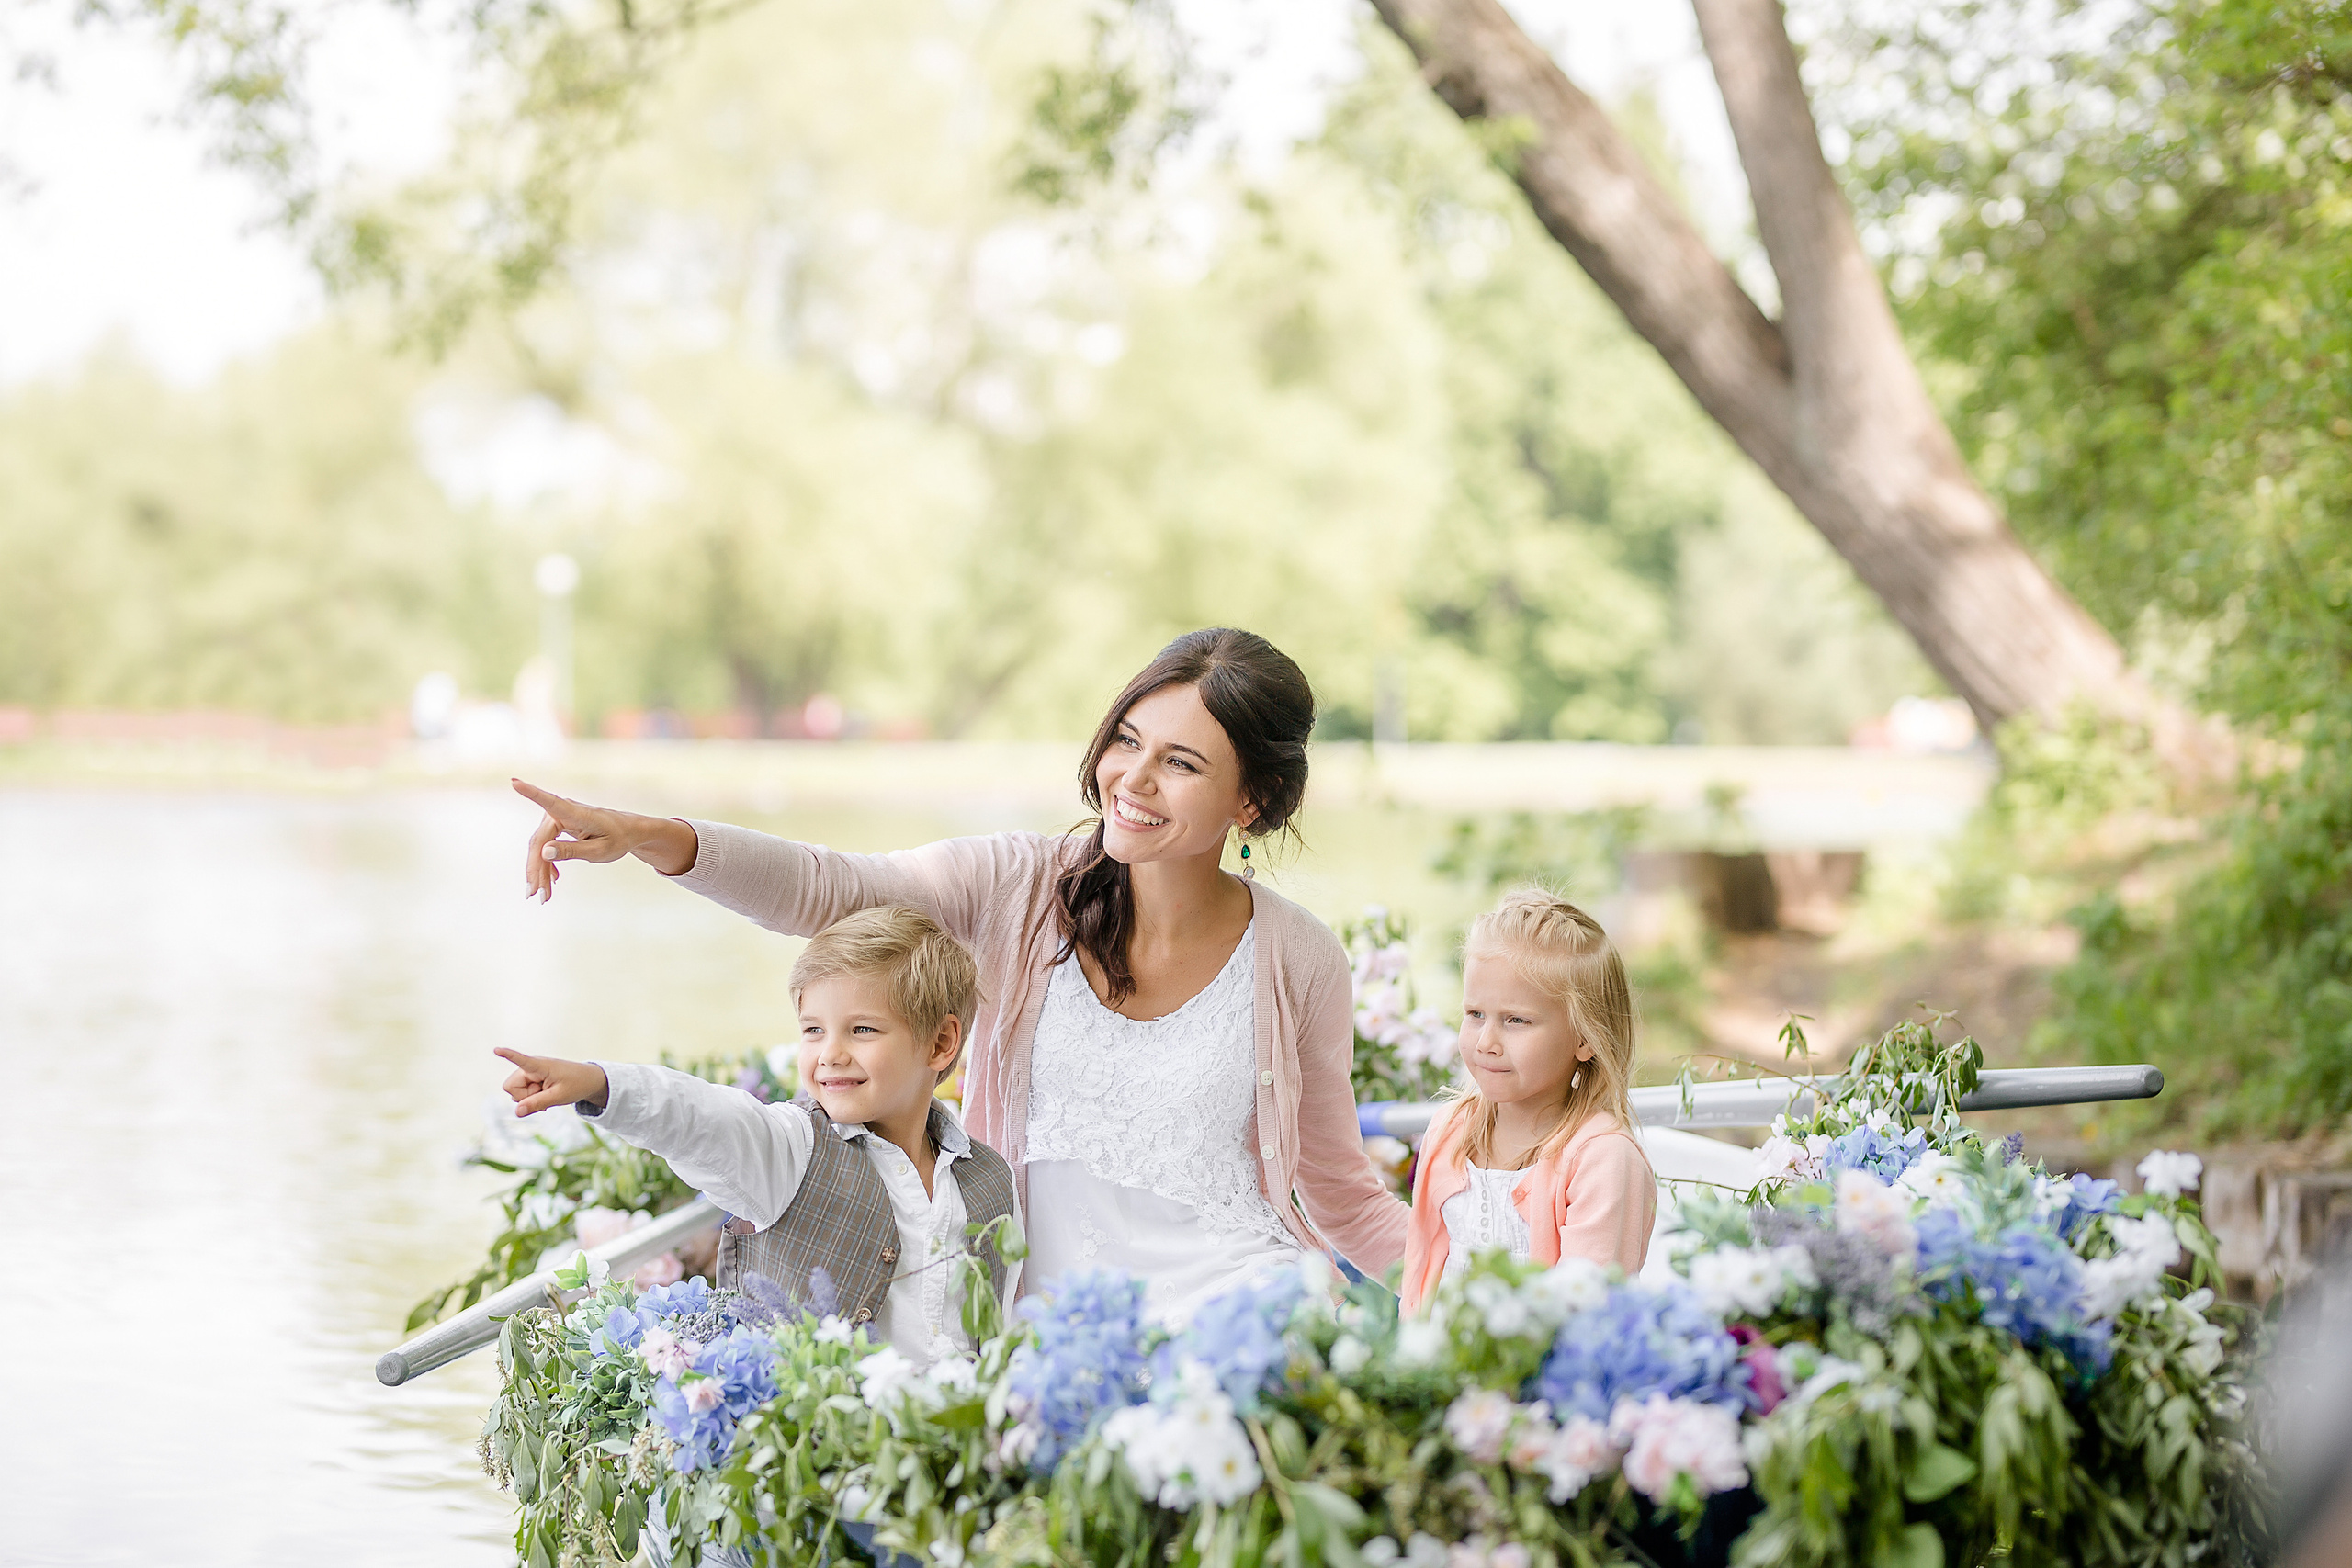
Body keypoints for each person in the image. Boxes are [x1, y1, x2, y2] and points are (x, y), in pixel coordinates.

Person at [512, 628, 1408, 1320]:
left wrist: (1508, 1299)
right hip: (1040, 1321)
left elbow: (1338, 1191)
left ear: (1248, 800)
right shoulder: (1014, 887)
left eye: (1180, 763)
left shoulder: (1298, 957)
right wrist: (648, 838)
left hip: (1237, 1311)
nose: (1133, 778)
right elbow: (831, 889)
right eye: (1126, 741)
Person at [492, 905, 1017, 1366]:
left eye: (862, 1029)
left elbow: (1000, 1326)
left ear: (941, 1043)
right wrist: (601, 1084)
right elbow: (701, 1118)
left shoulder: (991, 1179)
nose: (829, 1053)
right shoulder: (793, 1148)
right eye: (813, 1029)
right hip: (819, 1462)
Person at [1398, 891, 1657, 1314]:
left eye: (1516, 1020)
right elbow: (1420, 1275)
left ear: (1585, 1037)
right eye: (1475, 1014)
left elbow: (1589, 1315)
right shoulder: (1449, 1130)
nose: (1486, 1042)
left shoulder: (1602, 1158)